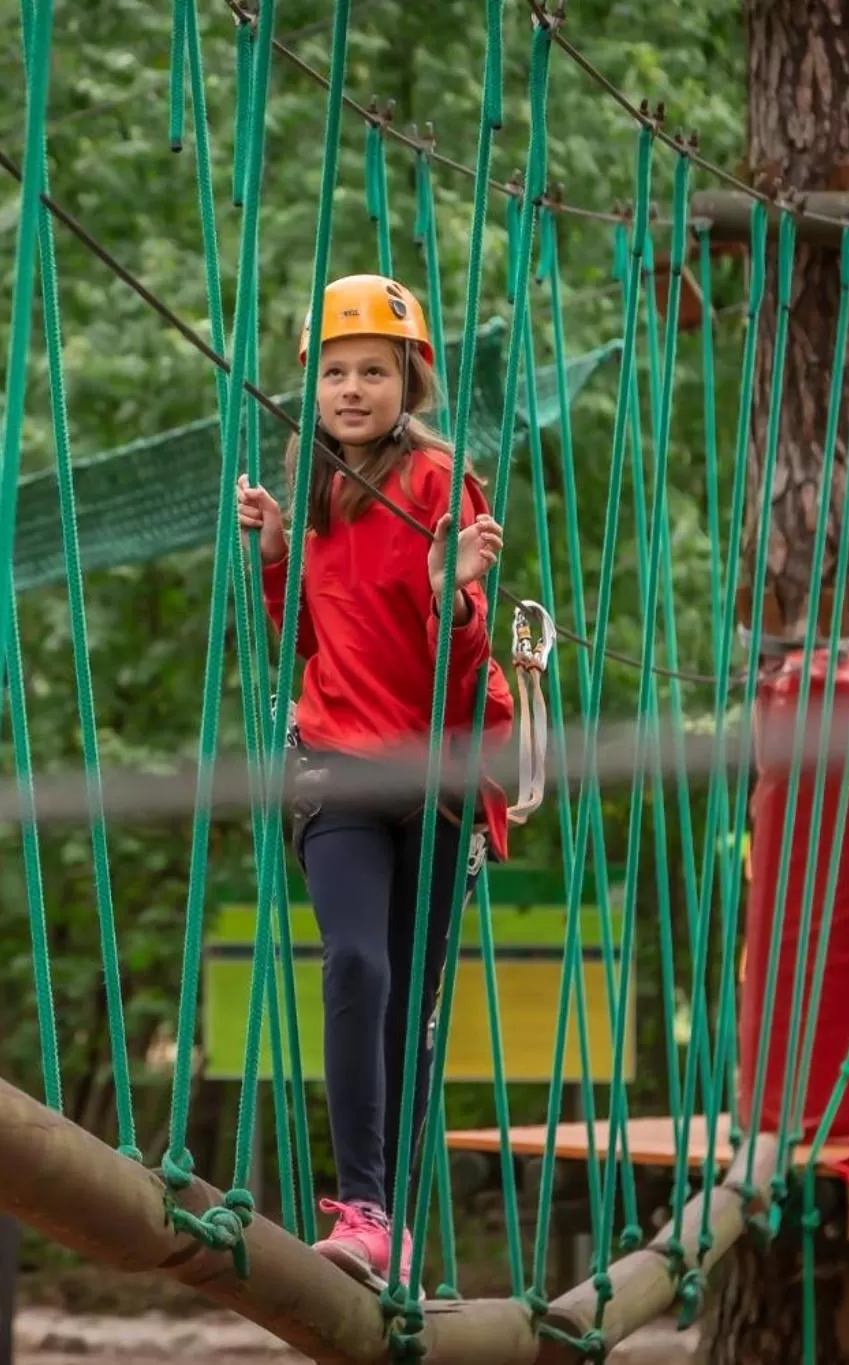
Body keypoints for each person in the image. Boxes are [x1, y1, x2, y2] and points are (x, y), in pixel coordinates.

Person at [235, 273, 515, 1290]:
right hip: (334, 763)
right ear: (311, 385)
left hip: (436, 775)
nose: (351, 390)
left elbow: (458, 668)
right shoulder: (305, 491)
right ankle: (360, 1207)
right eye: (334, 372)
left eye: (373, 372)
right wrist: (271, 560)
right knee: (356, 965)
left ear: (410, 383)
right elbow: (304, 645)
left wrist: (454, 598)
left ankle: (389, 1217)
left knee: (410, 999)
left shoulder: (442, 484)